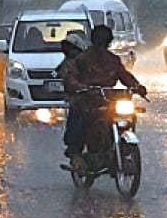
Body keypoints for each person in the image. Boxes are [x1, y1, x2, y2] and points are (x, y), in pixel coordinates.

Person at [64, 25, 147, 160]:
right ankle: (75, 151)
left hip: (109, 99)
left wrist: (137, 87)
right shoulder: (82, 59)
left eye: (104, 42)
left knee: (130, 115)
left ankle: (118, 144)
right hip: (88, 99)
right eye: (99, 42)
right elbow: (71, 77)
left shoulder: (113, 60)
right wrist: (82, 87)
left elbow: (124, 75)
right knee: (78, 114)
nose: (101, 47)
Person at [58, 32, 91, 160]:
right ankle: (74, 148)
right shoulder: (67, 63)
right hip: (79, 97)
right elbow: (67, 79)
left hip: (94, 95)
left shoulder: (89, 59)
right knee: (77, 116)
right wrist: (80, 87)